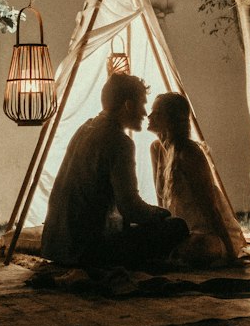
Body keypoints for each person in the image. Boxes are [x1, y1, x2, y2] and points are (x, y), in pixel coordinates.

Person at [41, 72, 189, 281]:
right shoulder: (119, 142)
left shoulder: (84, 128)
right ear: (128, 105)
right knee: (177, 227)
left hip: (55, 245)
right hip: (86, 251)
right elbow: (131, 208)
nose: (145, 113)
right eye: (142, 104)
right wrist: (161, 213)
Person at [148, 92, 249, 265]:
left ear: (171, 120)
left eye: (157, 113)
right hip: (181, 231)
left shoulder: (189, 152)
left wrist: (230, 252)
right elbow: (162, 202)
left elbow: (210, 206)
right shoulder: (156, 149)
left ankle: (220, 248)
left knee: (195, 247)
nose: (149, 116)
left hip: (209, 232)